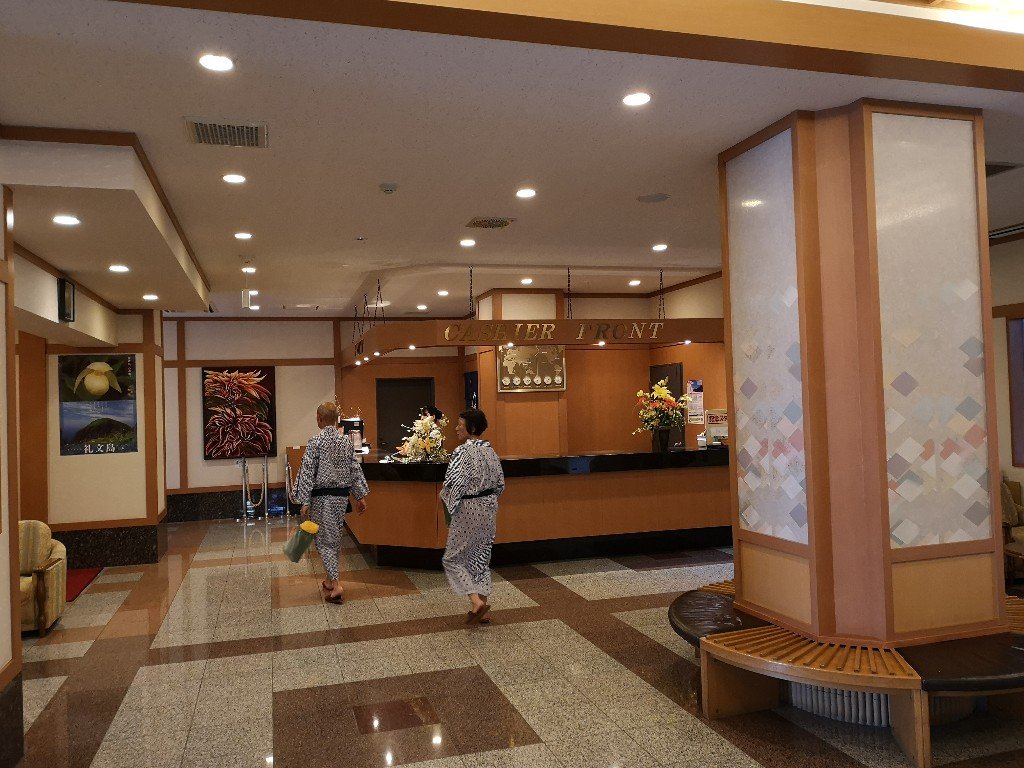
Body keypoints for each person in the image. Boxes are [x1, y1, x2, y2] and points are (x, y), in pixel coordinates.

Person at [295, 401, 369, 605]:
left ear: (319, 419)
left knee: (325, 541)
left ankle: (336, 585)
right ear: (336, 420)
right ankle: (329, 579)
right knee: (334, 538)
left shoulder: (316, 441)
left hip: (322, 499)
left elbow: (307, 472)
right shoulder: (346, 442)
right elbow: (354, 469)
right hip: (341, 499)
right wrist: (360, 496)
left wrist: (304, 500)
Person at [441, 409, 504, 624]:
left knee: (452, 559)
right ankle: (482, 605)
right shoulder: (491, 452)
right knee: (480, 557)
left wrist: (449, 505)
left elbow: (454, 484)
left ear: (472, 428)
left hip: (468, 508)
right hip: (489, 508)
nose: (456, 428)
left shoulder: (462, 452)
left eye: (460, 425)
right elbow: (500, 484)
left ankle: (475, 600)